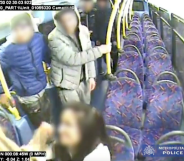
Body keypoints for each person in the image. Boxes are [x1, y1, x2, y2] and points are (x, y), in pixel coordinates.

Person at [0, 102, 111, 161]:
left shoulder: (98, 155)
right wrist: (39, 138)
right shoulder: (63, 145)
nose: (61, 129)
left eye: (68, 125)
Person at [49, 2, 111, 104]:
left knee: (85, 109)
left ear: (76, 17)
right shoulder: (54, 38)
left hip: (84, 80)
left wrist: (91, 77)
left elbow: (88, 54)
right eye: (63, 21)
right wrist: (100, 50)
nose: (67, 24)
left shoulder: (83, 31)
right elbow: (73, 58)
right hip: (67, 86)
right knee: (75, 115)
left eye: (70, 19)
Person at [0, 13, 51, 127]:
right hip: (27, 96)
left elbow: (46, 55)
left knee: (48, 113)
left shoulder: (38, 39)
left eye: (23, 28)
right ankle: (48, 140)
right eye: (16, 30)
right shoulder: (7, 51)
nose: (20, 33)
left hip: (43, 86)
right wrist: (1, 92)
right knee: (40, 123)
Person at [93, 0, 117, 74]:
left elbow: (115, 25)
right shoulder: (97, 12)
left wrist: (115, 37)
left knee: (114, 53)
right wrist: (96, 38)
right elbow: (95, 26)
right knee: (104, 56)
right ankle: (106, 69)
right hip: (102, 37)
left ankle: (114, 69)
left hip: (110, 37)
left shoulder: (112, 11)